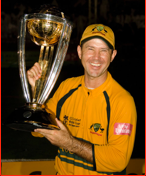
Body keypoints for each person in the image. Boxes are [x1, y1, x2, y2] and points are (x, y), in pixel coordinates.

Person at [27, 24, 137, 175]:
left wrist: (69, 143)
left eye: (103, 50)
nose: (96, 57)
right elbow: (38, 131)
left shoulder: (123, 101)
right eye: (90, 48)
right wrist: (36, 93)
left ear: (113, 55)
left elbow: (118, 161)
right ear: (79, 52)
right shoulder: (66, 88)